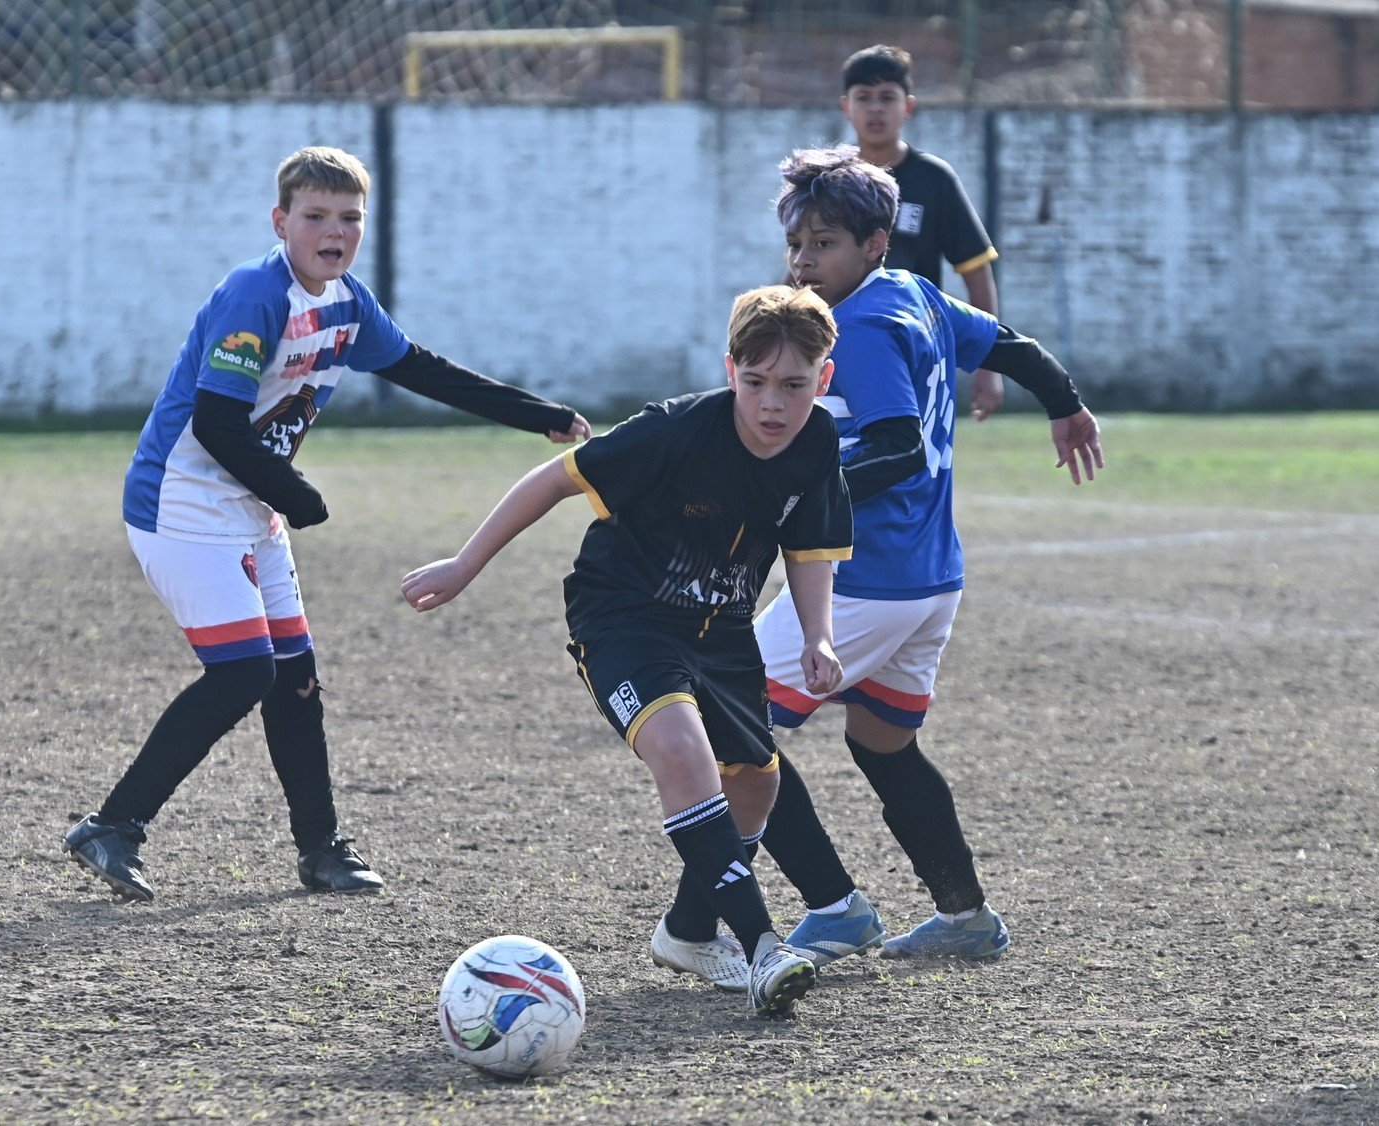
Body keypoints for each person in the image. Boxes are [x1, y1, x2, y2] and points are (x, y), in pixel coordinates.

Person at [61, 145, 590, 903]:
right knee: (245, 670)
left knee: (295, 678)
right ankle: (113, 826)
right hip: (178, 502)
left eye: (349, 218)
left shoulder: (345, 300)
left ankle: (321, 850)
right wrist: (296, 493)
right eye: (315, 216)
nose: (333, 231)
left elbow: (419, 368)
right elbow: (214, 422)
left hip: (249, 503)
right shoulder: (256, 293)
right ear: (281, 222)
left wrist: (534, 413)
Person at [658, 145, 1102, 973]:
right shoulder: (915, 295)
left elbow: (897, 449)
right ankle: (964, 915)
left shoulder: (857, 325)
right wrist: (1066, 403)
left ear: (874, 246)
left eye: (823, 242)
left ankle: (822, 909)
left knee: (735, 733)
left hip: (868, 577)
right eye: (796, 243)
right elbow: (1008, 343)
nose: (802, 260)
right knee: (880, 743)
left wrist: (782, 494)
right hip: (929, 581)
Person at [401, 285, 854, 1017]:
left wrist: (818, 635)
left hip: (723, 631)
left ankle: (687, 931)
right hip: (624, 616)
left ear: (823, 380)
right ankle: (763, 946)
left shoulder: (816, 442)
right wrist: (463, 564)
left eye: (794, 386)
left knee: (756, 784)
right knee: (680, 751)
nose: (773, 404)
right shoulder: (674, 430)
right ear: (729, 368)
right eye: (756, 382)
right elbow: (554, 479)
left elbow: (808, 547)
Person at [840, 44, 1005, 422]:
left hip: (916, 348)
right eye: (864, 98)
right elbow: (803, 268)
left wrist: (988, 363)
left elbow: (976, 272)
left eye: (887, 97)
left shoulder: (935, 180)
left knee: (915, 457)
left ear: (908, 106)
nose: (876, 108)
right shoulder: (833, 180)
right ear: (846, 107)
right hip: (842, 344)